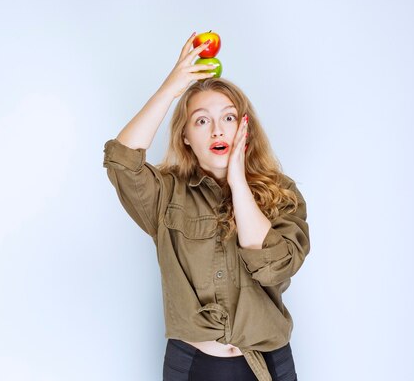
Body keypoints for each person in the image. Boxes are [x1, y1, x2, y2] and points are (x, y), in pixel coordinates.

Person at [103, 32, 310, 381]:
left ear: (244, 126)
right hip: (194, 367)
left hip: (268, 365)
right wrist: (171, 88)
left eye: (228, 118)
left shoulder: (281, 193)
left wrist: (238, 182)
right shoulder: (166, 194)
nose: (217, 130)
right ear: (185, 135)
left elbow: (276, 267)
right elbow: (122, 162)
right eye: (202, 120)